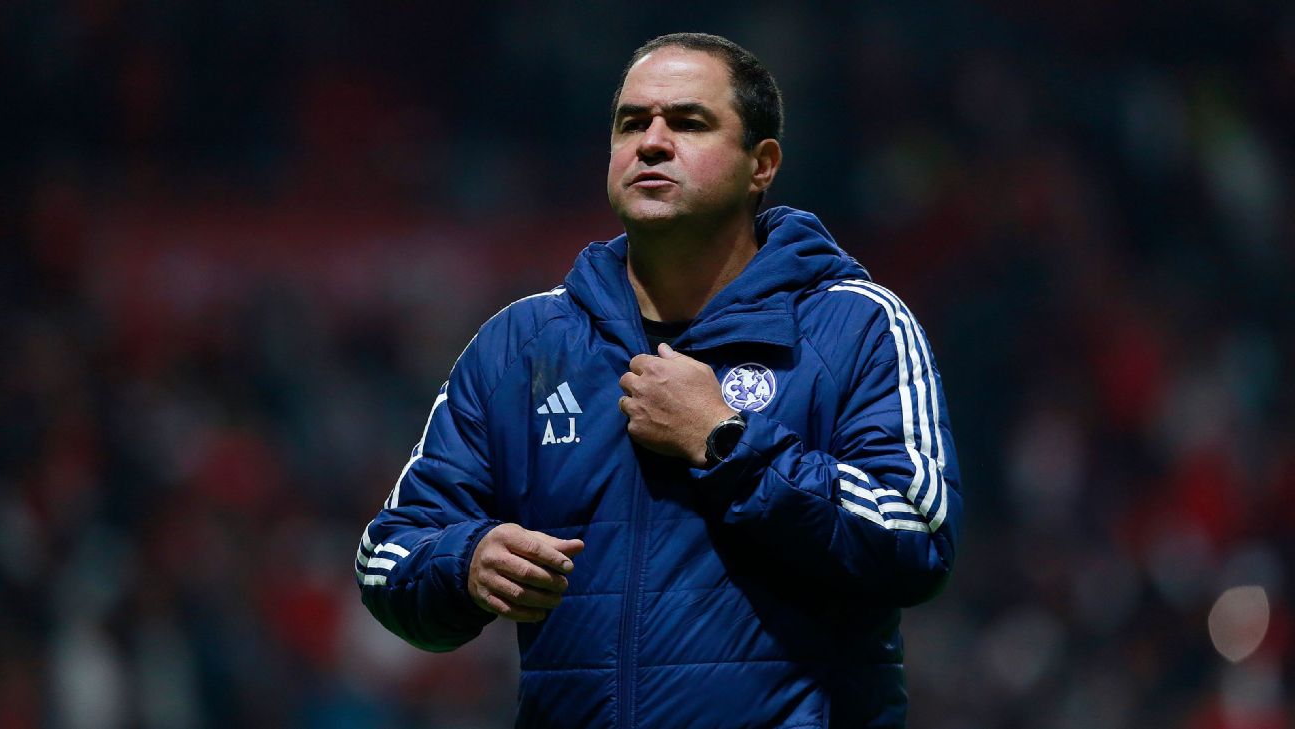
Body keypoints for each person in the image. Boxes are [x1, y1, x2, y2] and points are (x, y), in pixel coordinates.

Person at [355, 32, 962, 728]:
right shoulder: (523, 347)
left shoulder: (855, 326)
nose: (651, 142)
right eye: (631, 123)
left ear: (761, 164)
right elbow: (389, 554)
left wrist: (726, 442)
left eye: (688, 122)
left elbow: (916, 536)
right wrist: (466, 561)